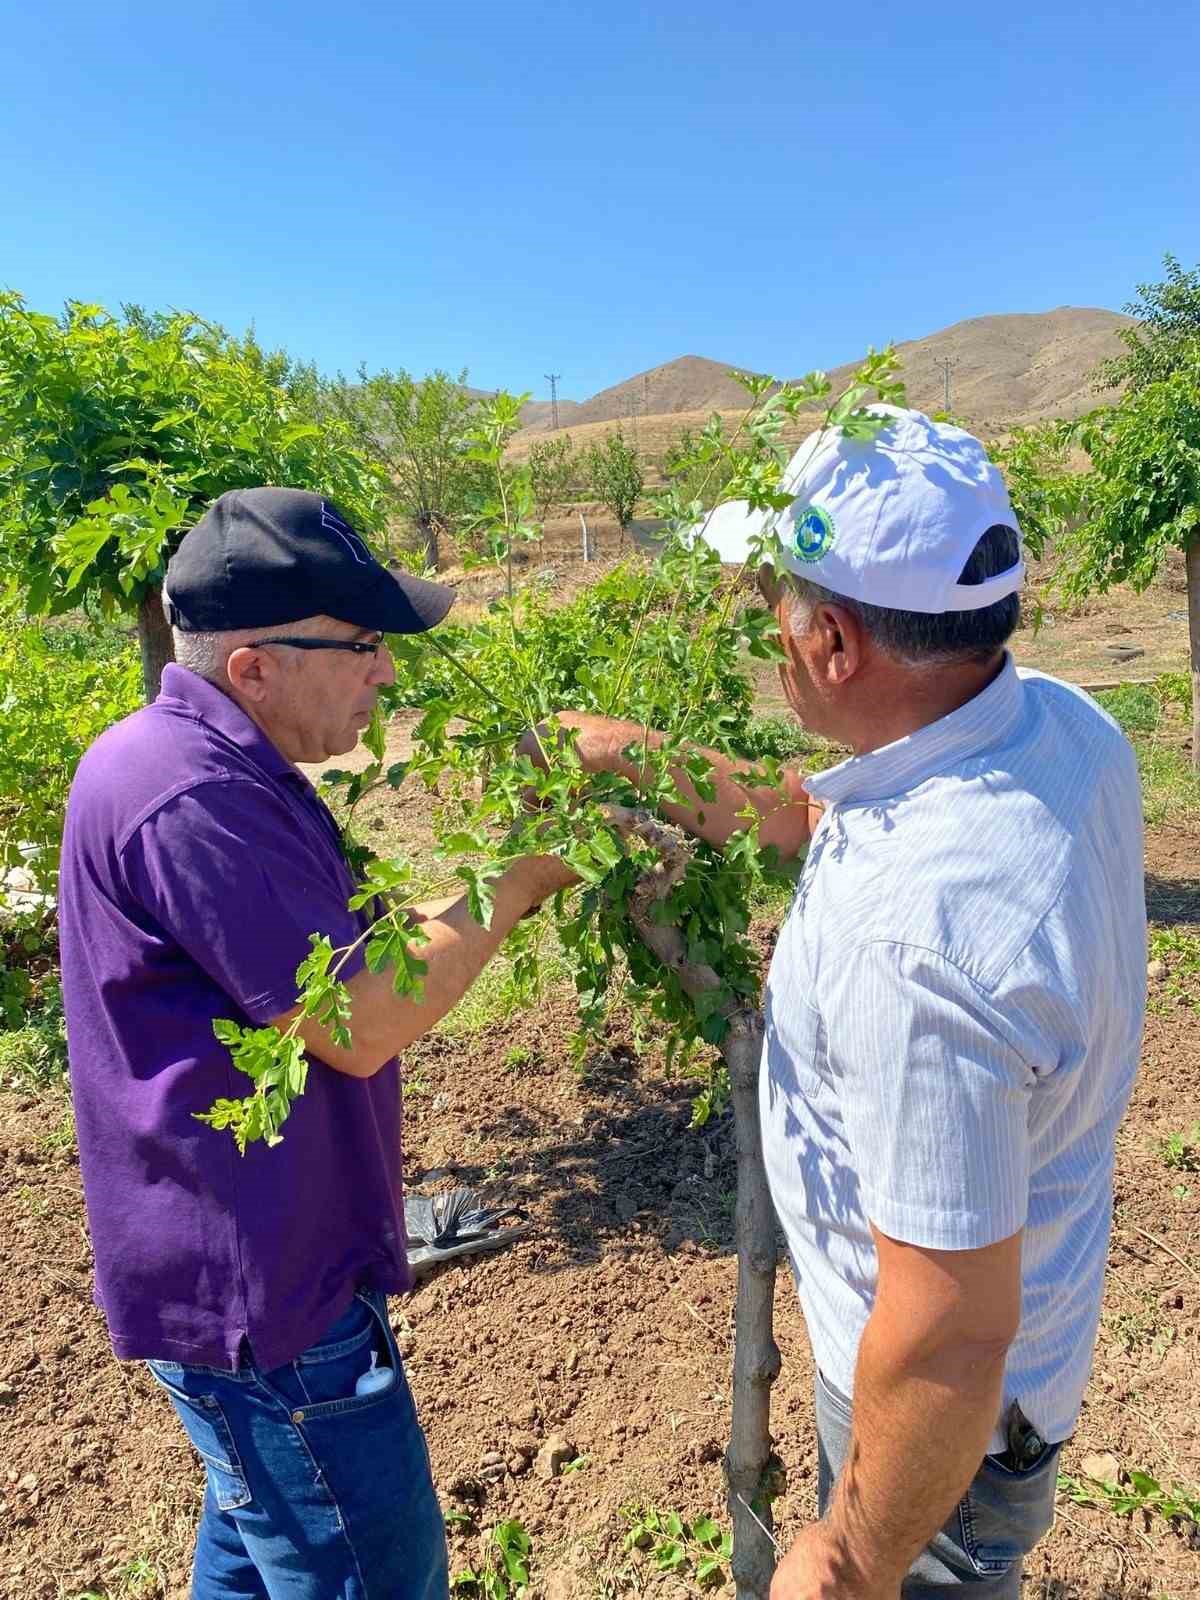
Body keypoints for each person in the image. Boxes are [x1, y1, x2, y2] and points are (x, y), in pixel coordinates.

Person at [548, 409, 1146, 1598]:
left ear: (830, 643)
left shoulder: (915, 942)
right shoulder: (1055, 727)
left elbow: (947, 1335)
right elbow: (837, 815)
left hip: (939, 1440)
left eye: (779, 603)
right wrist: (639, 758)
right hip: (996, 1378)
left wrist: (853, 1552)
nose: (765, 625)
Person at [58, 487, 576, 1600]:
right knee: (370, 1571)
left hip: (255, 1260)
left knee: (255, 1547)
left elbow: (334, 961)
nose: (385, 671)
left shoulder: (215, 763)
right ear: (255, 666)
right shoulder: (190, 793)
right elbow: (359, 1017)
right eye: (362, 645)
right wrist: (525, 873)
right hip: (263, 1291)